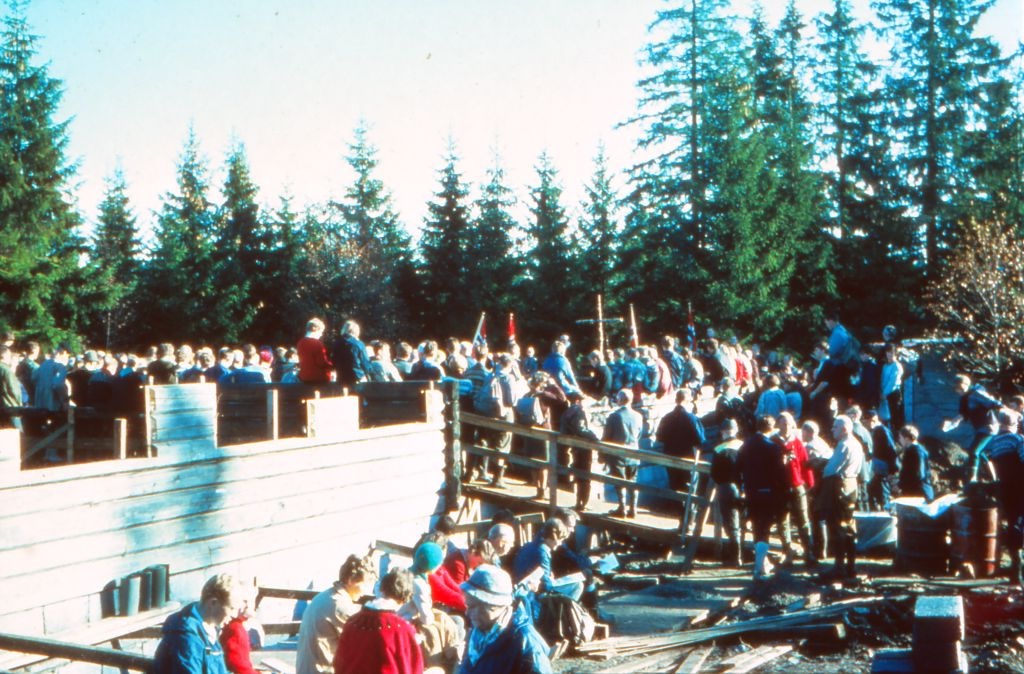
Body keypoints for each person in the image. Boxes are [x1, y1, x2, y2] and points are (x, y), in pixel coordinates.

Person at [459, 564, 553, 674]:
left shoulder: (526, 643)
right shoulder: (477, 634)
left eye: (472, 607)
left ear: (493, 604)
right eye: (467, 606)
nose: (467, 612)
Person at [296, 554, 377, 674]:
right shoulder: (340, 607)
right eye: (364, 585)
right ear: (351, 580)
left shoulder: (324, 596)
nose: (366, 591)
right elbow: (365, 643)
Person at [334, 568, 424, 674]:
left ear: (382, 589)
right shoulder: (403, 630)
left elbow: (339, 664)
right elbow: (415, 669)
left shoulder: (352, 622)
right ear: (405, 598)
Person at [154, 574, 241, 674]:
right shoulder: (187, 639)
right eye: (232, 608)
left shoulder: (209, 626)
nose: (235, 615)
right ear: (213, 603)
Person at [738, 415, 788, 580]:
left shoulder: (746, 445)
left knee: (756, 527)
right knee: (765, 528)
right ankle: (759, 568)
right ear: (772, 428)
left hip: (751, 491)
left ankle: (761, 564)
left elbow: (738, 467)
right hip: (768, 492)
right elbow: (780, 473)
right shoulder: (773, 448)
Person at [976, 409, 1024, 584]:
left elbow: (983, 456)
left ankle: (1015, 568)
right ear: (1014, 423)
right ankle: (1019, 567)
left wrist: (994, 477)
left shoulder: (994, 442)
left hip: (1005, 488)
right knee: (1020, 524)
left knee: (1013, 523)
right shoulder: (1018, 440)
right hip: (1021, 487)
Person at [821, 415, 864, 579]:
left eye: (835, 427)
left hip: (840, 485)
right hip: (852, 484)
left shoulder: (844, 445)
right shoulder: (857, 444)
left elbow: (830, 470)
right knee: (849, 526)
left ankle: (839, 567)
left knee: (838, 526)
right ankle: (850, 566)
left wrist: (821, 466)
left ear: (844, 428)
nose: (832, 430)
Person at [655, 388, 706, 522]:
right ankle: (689, 521)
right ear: (687, 400)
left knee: (675, 487)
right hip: (688, 458)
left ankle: (680, 518)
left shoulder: (667, 417)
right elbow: (701, 440)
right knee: (690, 489)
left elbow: (659, 437)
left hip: (671, 458)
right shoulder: (692, 418)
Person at [774, 412, 817, 566]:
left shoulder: (797, 442)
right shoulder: (773, 442)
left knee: (803, 520)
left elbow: (806, 465)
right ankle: (787, 551)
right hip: (780, 487)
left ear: (793, 425)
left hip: (797, 485)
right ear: (778, 424)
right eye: (783, 423)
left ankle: (808, 552)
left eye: (788, 424)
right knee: (782, 521)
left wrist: (810, 484)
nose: (786, 427)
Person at [602, 389, 643, 518]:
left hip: (618, 455)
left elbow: (606, 436)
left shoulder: (614, 416)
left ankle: (622, 508)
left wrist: (602, 455)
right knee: (633, 482)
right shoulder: (639, 416)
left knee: (619, 482)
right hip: (634, 453)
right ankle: (633, 508)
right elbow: (639, 434)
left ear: (620, 400)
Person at [945, 374, 1002, 466]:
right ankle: (992, 476)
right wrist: (953, 422)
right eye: (957, 388)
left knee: (973, 451)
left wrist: (1006, 414)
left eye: (960, 387)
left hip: (988, 426)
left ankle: (972, 477)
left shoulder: (976, 393)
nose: (958, 390)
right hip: (980, 427)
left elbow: (994, 403)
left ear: (966, 385)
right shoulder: (965, 398)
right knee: (980, 452)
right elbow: (964, 413)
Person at [710, 419, 744, 566]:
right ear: (736, 430)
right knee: (743, 522)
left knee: (731, 524)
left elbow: (715, 474)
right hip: (745, 487)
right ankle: (742, 555)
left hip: (726, 487)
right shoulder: (743, 446)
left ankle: (736, 558)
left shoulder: (719, 449)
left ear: (723, 432)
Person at [559, 391, 599, 510]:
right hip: (583, 448)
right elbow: (581, 429)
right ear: (577, 401)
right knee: (585, 476)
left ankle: (578, 502)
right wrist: (595, 437)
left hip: (573, 447)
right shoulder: (578, 412)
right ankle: (584, 503)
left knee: (578, 474)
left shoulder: (567, 412)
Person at [866, 409, 900, 510]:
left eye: (870, 421)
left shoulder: (883, 431)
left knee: (883, 494)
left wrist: (892, 470)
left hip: (884, 469)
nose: (868, 424)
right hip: (877, 468)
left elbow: (891, 450)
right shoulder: (875, 431)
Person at [896, 425, 934, 502]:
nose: (899, 440)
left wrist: (901, 484)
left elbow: (919, 474)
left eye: (900, 438)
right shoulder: (913, 450)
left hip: (919, 494)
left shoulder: (916, 452)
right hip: (914, 492)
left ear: (906, 439)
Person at [331, 320, 372, 388]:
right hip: (357, 377)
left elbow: (333, 362)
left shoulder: (336, 344)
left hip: (341, 378)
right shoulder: (359, 344)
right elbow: (366, 365)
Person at [297, 318, 334, 384]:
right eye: (321, 332)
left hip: (304, 377)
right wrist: (332, 366)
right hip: (318, 377)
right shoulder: (317, 343)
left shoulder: (300, 342)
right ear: (316, 330)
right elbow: (321, 363)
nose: (321, 334)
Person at [0, 345, 24, 430]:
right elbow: (14, 391)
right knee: (17, 438)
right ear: (4, 355)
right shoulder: (6, 370)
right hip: (10, 408)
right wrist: (20, 405)